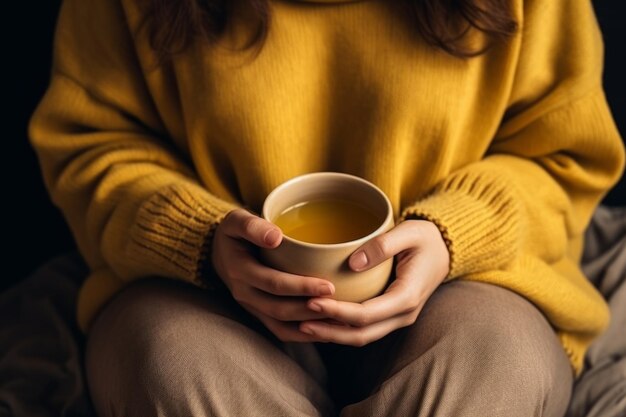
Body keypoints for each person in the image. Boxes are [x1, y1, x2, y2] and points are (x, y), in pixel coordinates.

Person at [28, 0, 625, 415]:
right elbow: (91, 146)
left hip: (466, 287)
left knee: (497, 361)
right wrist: (201, 238)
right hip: (203, 295)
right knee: (174, 368)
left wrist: (454, 234)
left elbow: (563, 154)